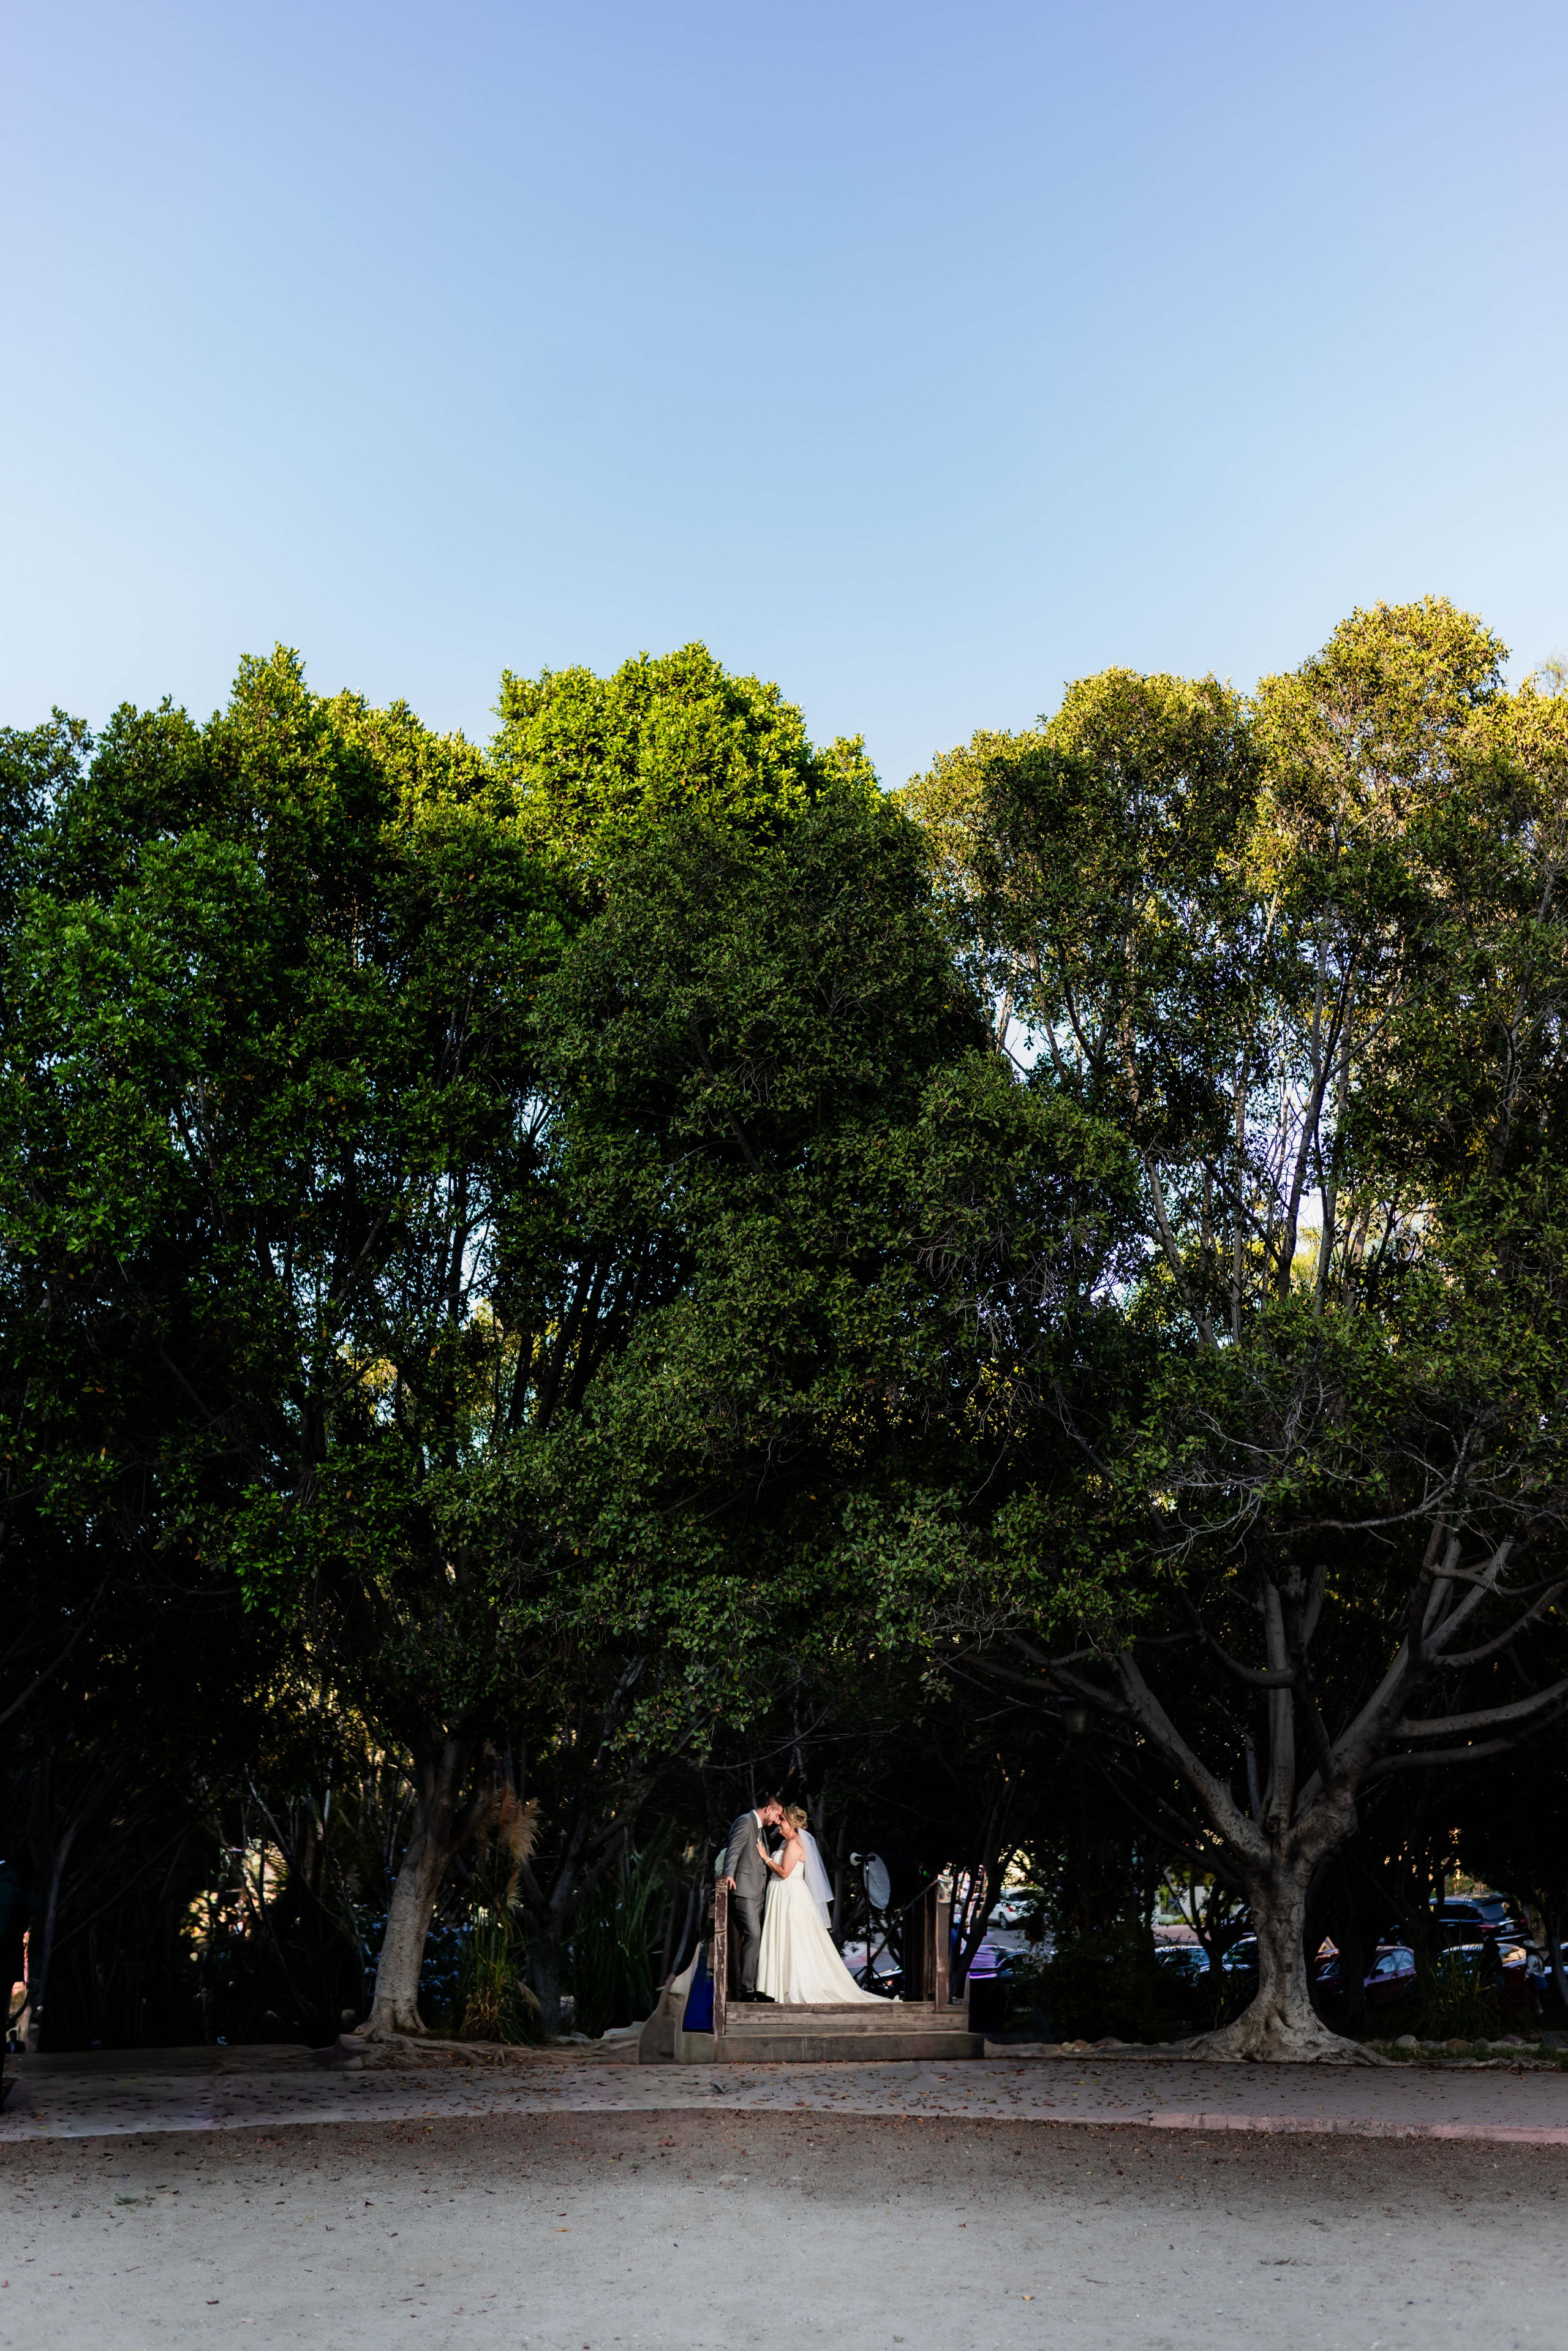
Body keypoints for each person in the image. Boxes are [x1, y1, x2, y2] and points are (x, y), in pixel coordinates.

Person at [755, 1805, 889, 2005]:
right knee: (783, 1938)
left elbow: (784, 1872)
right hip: (781, 1895)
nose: (778, 1823)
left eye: (782, 1820)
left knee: (793, 1939)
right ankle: (777, 1986)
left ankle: (795, 1985)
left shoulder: (794, 1844)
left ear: (791, 1823)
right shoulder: (786, 1844)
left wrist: (766, 1857)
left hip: (790, 1896)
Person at [722, 1797, 786, 2002]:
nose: (777, 1820)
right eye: (777, 1815)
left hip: (757, 1892)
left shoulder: (759, 1828)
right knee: (754, 1935)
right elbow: (734, 1849)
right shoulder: (746, 1821)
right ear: (768, 1809)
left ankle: (756, 1986)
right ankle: (747, 1990)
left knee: (757, 1937)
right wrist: (728, 1874)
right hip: (745, 1891)